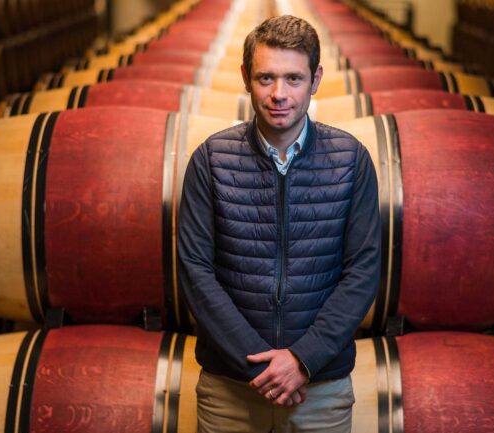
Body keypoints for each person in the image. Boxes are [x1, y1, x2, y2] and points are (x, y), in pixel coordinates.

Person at [177, 14, 381, 433]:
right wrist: (263, 365)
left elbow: (362, 272)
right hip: (230, 387)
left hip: (319, 388)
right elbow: (195, 271)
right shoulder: (211, 160)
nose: (278, 94)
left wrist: (302, 360)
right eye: (265, 78)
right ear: (245, 78)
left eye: (293, 79)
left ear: (316, 78)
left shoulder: (351, 159)